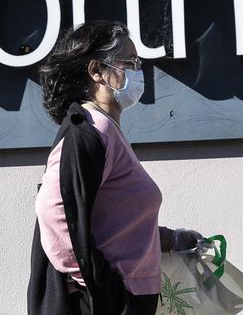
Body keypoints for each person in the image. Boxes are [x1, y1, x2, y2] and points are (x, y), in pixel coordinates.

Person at [28, 20, 203, 315]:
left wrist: (173, 239)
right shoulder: (87, 130)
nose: (138, 70)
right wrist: (103, 290)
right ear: (97, 71)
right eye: (130, 62)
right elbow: (54, 212)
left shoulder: (109, 132)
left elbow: (117, 228)